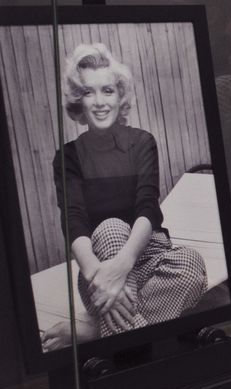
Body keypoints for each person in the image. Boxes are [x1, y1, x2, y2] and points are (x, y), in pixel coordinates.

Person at [42, 43, 207, 351]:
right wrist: (100, 274)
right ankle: (133, 342)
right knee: (111, 226)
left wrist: (125, 263)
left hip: (148, 254)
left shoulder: (142, 143)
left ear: (120, 97)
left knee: (191, 266)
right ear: (79, 101)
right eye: (89, 93)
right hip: (98, 266)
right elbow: (74, 220)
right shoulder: (68, 157)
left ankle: (93, 334)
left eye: (107, 90)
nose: (99, 102)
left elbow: (148, 207)